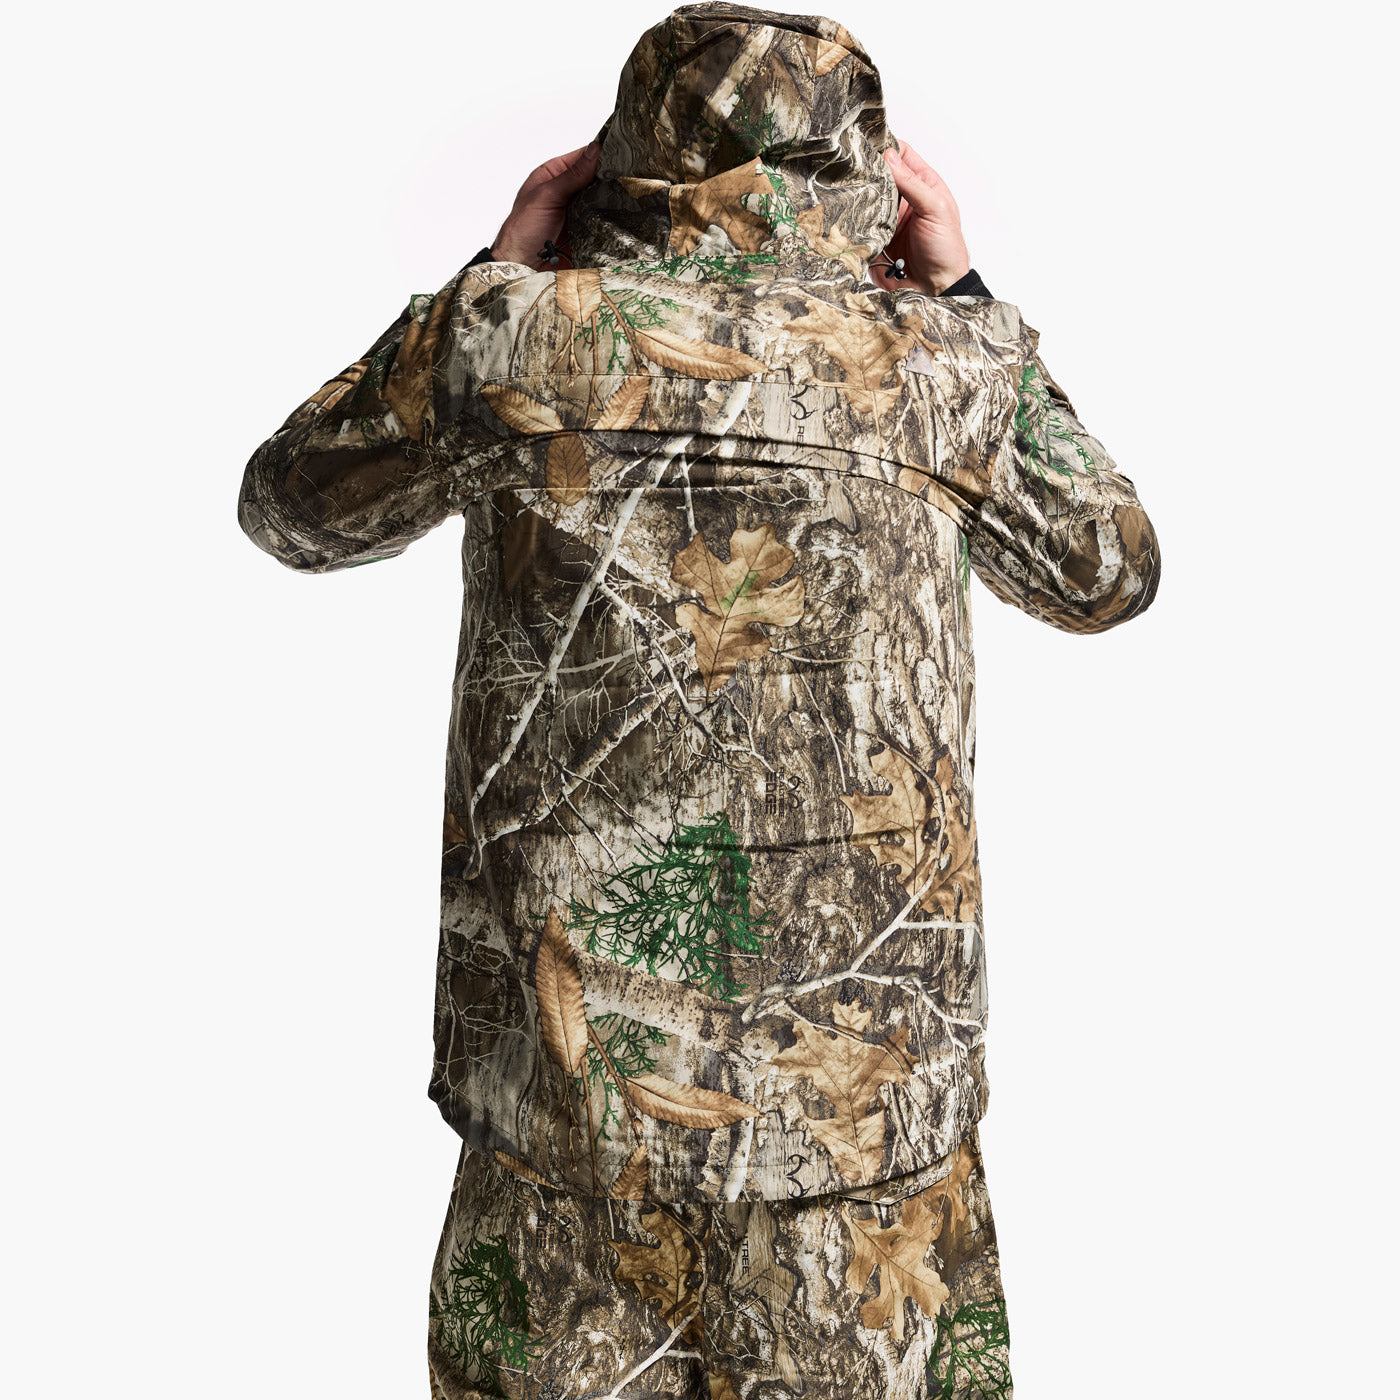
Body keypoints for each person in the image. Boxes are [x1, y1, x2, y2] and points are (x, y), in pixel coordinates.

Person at [237, 3, 1161, 1396]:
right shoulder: (942, 368)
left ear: (614, 161)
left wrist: (492, 282)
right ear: (872, 173)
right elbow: (1108, 572)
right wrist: (964, 298)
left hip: (568, 1096)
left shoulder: (509, 340)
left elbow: (295, 508)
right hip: (861, 1103)